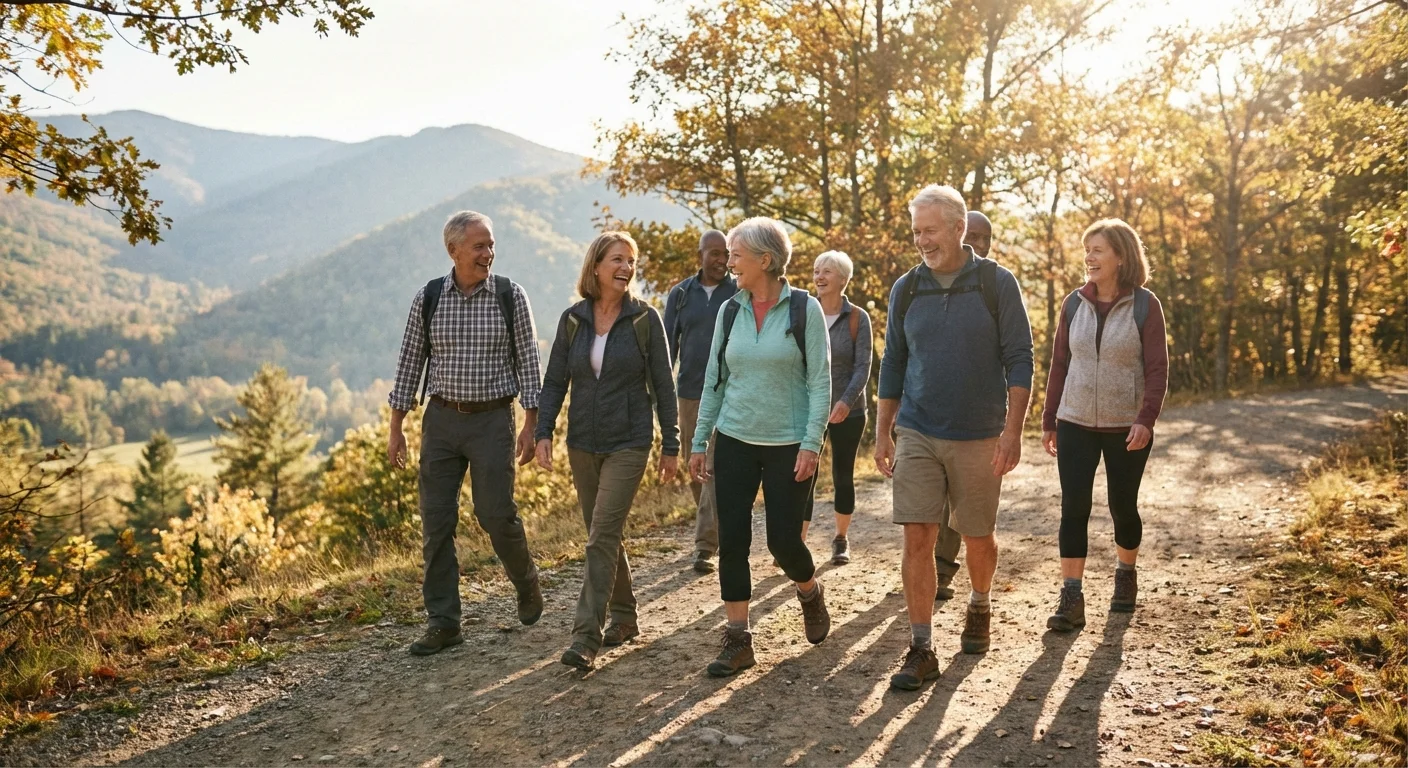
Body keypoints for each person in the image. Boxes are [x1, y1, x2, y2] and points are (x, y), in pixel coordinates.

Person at [875, 186, 1033, 691]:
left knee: (977, 535)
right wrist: (883, 431)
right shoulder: (907, 288)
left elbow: (1020, 359)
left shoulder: (995, 283)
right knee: (917, 534)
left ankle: (979, 603)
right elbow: (893, 361)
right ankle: (921, 647)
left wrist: (1013, 431)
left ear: (959, 229)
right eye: (916, 231)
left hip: (979, 432)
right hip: (918, 428)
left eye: (930, 230)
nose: (921, 240)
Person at [387, 210, 544, 656]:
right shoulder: (430, 297)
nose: (488, 253)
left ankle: (526, 579)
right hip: (440, 421)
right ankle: (444, 622)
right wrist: (396, 426)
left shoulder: (510, 296)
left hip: (493, 420)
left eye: (490, 244)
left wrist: (532, 423)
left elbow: (529, 363)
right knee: (436, 522)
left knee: (495, 513)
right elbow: (410, 361)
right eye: (478, 246)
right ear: (453, 250)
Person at [689, 217, 833, 677]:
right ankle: (738, 638)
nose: (729, 263)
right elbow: (714, 380)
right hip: (733, 439)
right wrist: (699, 441)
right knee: (732, 538)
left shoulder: (803, 310)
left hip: (788, 444)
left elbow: (820, 384)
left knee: (783, 543)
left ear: (764, 260)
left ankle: (808, 589)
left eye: (736, 255)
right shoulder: (729, 310)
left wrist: (812, 443)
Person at [535, 231, 680, 670]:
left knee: (600, 536)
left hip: (629, 441)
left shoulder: (644, 320)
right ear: (595, 265)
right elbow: (556, 380)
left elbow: (663, 385)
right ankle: (625, 615)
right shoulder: (573, 320)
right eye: (617, 259)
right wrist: (543, 431)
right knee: (604, 535)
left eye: (631, 261)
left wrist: (670, 443)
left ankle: (585, 637)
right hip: (582, 442)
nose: (626, 268)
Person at [1041, 219, 1168, 632]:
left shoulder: (1146, 305)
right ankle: (1072, 596)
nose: (1089, 257)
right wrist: (1050, 419)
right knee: (1073, 508)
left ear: (1121, 256)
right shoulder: (1073, 303)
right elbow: (1060, 363)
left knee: (1122, 507)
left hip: (1126, 426)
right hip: (1074, 420)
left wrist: (1146, 419)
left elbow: (1157, 368)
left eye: (1097, 249)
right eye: (1087, 249)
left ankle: (1126, 573)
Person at [664, 230, 738, 574]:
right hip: (690, 392)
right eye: (715, 254)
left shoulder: (738, 292)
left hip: (729, 393)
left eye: (726, 254)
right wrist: (661, 399)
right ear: (701, 255)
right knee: (694, 467)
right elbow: (666, 351)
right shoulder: (680, 294)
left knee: (713, 465)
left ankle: (704, 546)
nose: (722, 260)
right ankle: (716, 528)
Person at [934, 209, 998, 599]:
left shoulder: (996, 285)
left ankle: (973, 589)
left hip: (979, 420)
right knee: (933, 504)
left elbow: (1016, 354)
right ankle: (937, 572)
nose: (976, 243)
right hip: (930, 415)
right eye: (970, 235)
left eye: (983, 237)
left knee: (970, 509)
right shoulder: (928, 281)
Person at [804, 250, 873, 565]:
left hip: (850, 411)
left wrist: (845, 402)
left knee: (842, 475)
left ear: (844, 279)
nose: (819, 276)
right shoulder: (804, 311)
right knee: (804, 475)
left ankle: (841, 539)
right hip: (809, 409)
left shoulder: (858, 318)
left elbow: (863, 366)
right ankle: (799, 542)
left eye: (827, 271)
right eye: (817, 270)